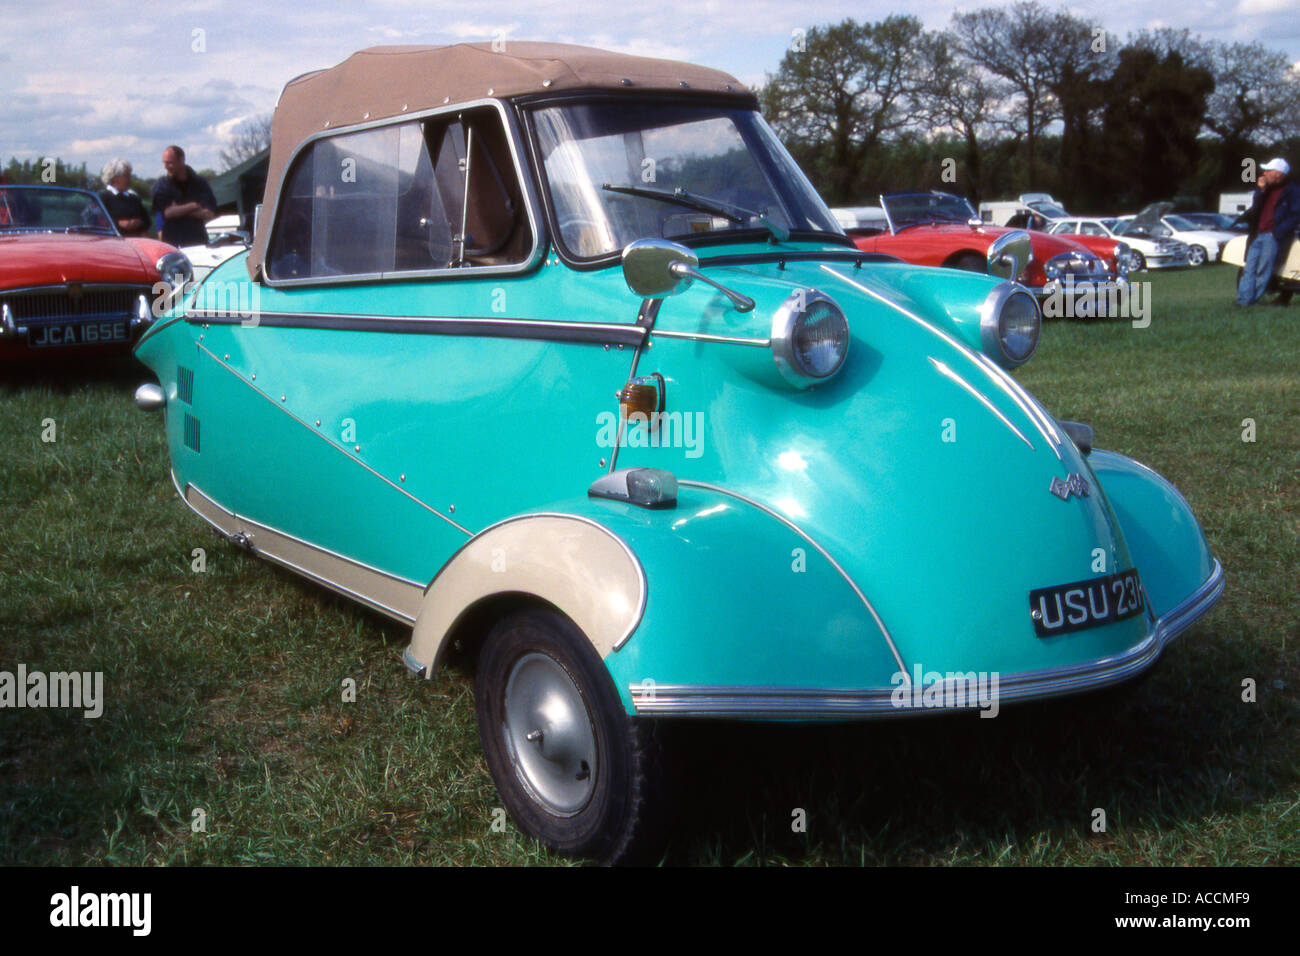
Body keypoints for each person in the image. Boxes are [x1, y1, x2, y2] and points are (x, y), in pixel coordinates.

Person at [1234, 158, 1300, 306]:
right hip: (1258, 234)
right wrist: (1261, 191)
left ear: (1278, 174)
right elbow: (1256, 208)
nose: (1265, 173)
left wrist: (1276, 232)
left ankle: (1252, 301)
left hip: (1273, 236)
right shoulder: (1266, 189)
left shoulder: (1294, 191)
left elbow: (1295, 215)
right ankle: (1243, 301)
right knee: (1249, 268)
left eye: (1268, 171)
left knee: (1263, 269)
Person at [151, 145, 217, 246]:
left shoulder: (200, 184)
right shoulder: (161, 186)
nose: (165, 167)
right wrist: (193, 206)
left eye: (169, 163)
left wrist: (178, 210)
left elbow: (209, 214)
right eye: (164, 163)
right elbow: (167, 213)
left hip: (198, 242)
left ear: (181, 160)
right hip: (172, 244)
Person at [98, 158, 150, 236]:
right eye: (126, 175)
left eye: (129, 175)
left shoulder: (134, 198)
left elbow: (147, 221)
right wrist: (118, 224)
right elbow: (93, 220)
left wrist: (138, 223)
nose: (129, 179)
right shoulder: (102, 198)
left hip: (134, 240)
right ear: (115, 178)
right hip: (110, 240)